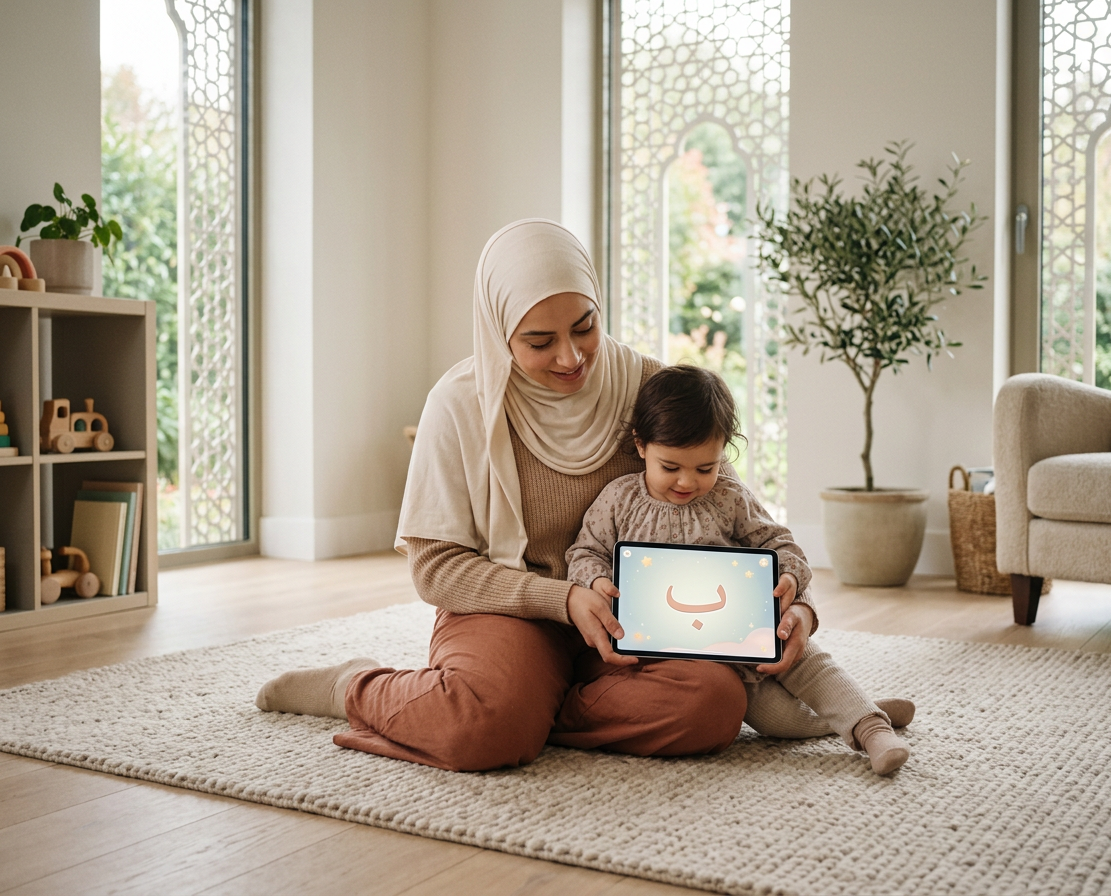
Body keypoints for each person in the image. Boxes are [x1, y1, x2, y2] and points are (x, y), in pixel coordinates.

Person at [254, 219, 895, 772]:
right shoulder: (459, 405)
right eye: (539, 342)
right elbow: (435, 569)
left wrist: (797, 604)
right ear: (499, 329)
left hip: (633, 628)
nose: (570, 358)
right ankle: (359, 687)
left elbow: (724, 495)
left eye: (584, 327)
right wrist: (563, 599)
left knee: (714, 706)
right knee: (484, 732)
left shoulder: (643, 383)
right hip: (514, 611)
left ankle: (515, 712)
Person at [566, 364, 913, 775]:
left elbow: (780, 544)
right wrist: (597, 580)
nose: (686, 482)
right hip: (682, 654)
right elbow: (584, 552)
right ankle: (854, 712)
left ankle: (872, 728)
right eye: (671, 467)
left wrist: (789, 578)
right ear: (641, 445)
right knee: (775, 722)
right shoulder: (619, 499)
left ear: (724, 452)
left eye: (705, 468)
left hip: (744, 629)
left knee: (804, 658)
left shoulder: (730, 497)